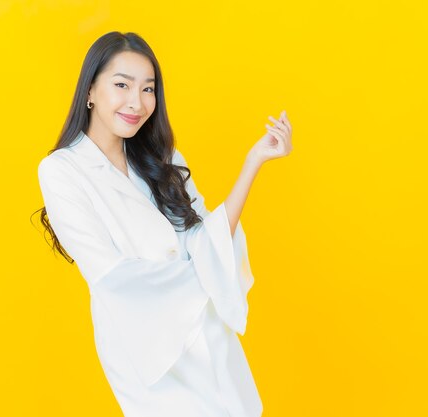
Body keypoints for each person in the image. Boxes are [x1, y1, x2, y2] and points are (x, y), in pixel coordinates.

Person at [35, 31, 292, 417]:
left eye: (148, 89)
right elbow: (110, 275)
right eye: (122, 85)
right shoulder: (61, 171)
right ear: (90, 90)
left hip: (209, 339)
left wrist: (252, 163)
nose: (137, 102)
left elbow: (207, 239)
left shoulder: (161, 156)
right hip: (147, 349)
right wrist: (197, 277)